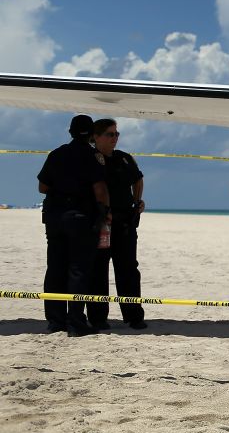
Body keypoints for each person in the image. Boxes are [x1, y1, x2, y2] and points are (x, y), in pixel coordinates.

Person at [37, 114, 109, 336]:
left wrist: (62, 188)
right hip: (80, 218)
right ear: (91, 135)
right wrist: (104, 214)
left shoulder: (57, 154)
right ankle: (76, 322)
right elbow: (100, 190)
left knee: (55, 268)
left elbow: (42, 187)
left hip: (55, 217)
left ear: (70, 132)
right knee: (78, 269)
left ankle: (55, 320)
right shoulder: (93, 156)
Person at [89, 119, 148, 330]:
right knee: (97, 270)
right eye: (109, 134)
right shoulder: (90, 159)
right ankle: (97, 318)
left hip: (124, 222)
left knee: (128, 270)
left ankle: (134, 316)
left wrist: (137, 201)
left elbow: (138, 179)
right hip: (100, 223)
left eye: (116, 134)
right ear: (96, 136)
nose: (114, 138)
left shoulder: (124, 158)